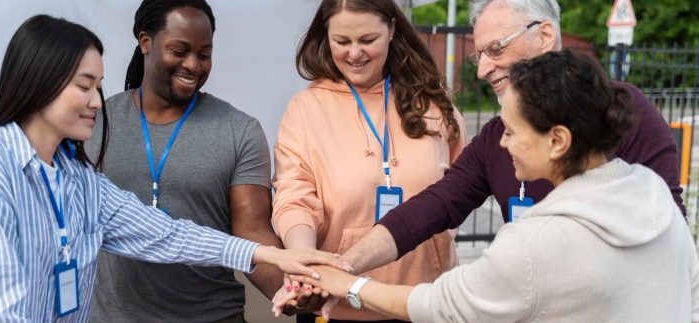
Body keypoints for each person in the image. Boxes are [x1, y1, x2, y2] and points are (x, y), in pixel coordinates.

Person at [0, 15, 342, 322]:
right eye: (84, 85)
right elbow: (1, 313)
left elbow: (167, 235)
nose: (97, 101)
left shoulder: (76, 177)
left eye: (98, 86)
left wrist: (273, 256)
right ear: (42, 82)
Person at [285, 49, 699, 322]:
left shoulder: (535, 243)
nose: (501, 141)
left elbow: (442, 305)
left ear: (558, 140)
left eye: (512, 131)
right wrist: (347, 263)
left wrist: (349, 284)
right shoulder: (651, 192)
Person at [336, 0, 685, 283]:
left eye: (496, 49)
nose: (483, 70)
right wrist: (346, 264)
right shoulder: (496, 136)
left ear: (545, 35)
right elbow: (434, 206)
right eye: (479, 55)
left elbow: (669, 230)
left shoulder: (622, 110)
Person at [83, 1, 290, 322]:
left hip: (212, 316)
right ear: (145, 41)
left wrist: (292, 289)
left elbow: (253, 232)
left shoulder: (239, 130)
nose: (193, 65)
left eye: (204, 54)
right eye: (179, 51)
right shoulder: (96, 120)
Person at [271, 0, 466, 321]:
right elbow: (295, 199)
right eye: (342, 42)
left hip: (425, 302)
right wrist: (305, 263)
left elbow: (462, 189)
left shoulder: (434, 104)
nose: (355, 53)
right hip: (337, 306)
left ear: (391, 29)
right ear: (325, 37)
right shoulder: (306, 108)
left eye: (367, 40)